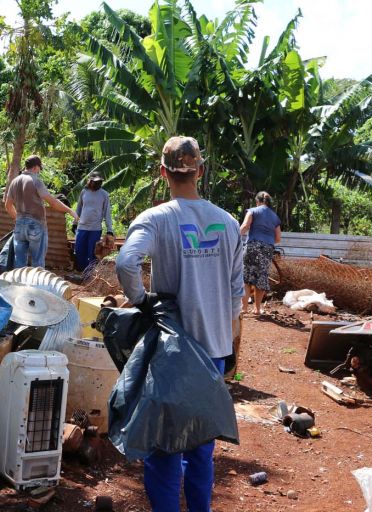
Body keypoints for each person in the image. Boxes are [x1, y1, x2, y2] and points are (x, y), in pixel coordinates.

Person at [115, 136, 244, 512]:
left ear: (163, 172)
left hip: (172, 353)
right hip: (213, 351)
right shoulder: (228, 222)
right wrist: (230, 335)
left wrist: (142, 301)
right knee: (202, 449)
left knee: (164, 448)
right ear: (200, 171)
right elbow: (237, 292)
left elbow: (125, 263)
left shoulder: (155, 219)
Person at [5, 155, 79, 268]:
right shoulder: (35, 181)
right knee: (37, 263)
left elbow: (8, 205)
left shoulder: (14, 182)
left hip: (19, 226)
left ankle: (19, 284)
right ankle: (37, 286)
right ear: (35, 167)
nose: (39, 171)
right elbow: (52, 202)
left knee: (19, 263)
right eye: (39, 168)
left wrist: (17, 219)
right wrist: (70, 211)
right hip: (36, 224)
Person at [239, 191, 281, 315]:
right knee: (261, 276)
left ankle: (244, 308)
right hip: (267, 248)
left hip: (252, 246)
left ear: (257, 202)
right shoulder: (275, 217)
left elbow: (245, 226)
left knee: (246, 277)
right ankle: (257, 309)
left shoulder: (252, 211)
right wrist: (266, 241)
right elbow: (278, 238)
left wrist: (234, 236)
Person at [72, 171, 114, 272]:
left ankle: (90, 274)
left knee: (92, 252)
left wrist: (109, 230)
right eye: (95, 182)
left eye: (99, 182)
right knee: (79, 250)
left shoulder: (104, 194)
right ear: (90, 181)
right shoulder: (84, 192)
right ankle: (83, 271)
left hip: (95, 229)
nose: (98, 184)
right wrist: (74, 223)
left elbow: (107, 213)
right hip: (82, 227)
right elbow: (79, 209)